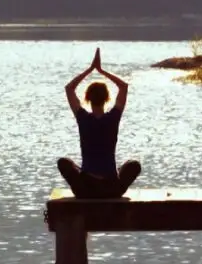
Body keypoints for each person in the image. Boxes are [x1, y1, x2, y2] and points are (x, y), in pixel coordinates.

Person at [58, 47, 142, 199]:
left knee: (64, 162)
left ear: (87, 99)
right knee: (133, 164)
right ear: (107, 99)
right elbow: (123, 87)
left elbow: (69, 88)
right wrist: (102, 71)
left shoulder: (83, 118)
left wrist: (90, 69)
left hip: (85, 189)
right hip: (111, 188)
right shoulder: (113, 118)